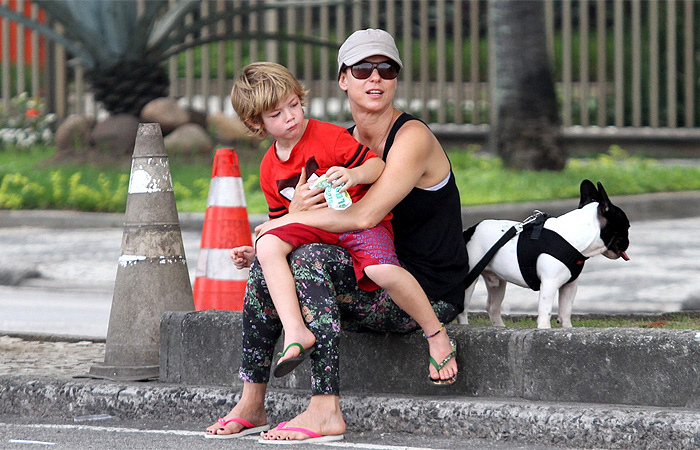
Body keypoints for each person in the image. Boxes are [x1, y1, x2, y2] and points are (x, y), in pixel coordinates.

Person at [205, 29, 469, 444]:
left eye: (387, 69)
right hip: (365, 279)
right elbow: (304, 219)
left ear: (397, 78)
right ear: (344, 78)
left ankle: (325, 408)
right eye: (363, 69)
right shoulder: (338, 140)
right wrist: (279, 229)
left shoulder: (411, 137)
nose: (375, 78)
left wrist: (278, 226)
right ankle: (252, 402)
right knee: (268, 266)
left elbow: (364, 217)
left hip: (423, 290)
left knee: (307, 258)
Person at [226, 62, 454, 382]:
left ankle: (435, 332)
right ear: (256, 122)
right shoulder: (268, 168)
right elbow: (280, 224)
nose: (290, 116)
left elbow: (375, 168)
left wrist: (352, 174)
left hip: (360, 227)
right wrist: (258, 250)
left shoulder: (328, 136)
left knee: (380, 269)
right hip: (320, 235)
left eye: (294, 105)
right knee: (267, 246)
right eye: (277, 114)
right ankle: (294, 333)